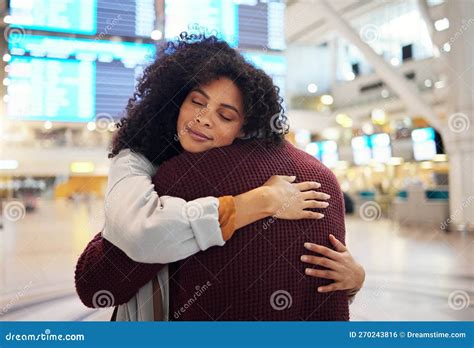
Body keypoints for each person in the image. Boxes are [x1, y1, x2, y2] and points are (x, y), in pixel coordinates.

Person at [75, 35, 365, 320]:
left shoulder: (189, 177)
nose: (203, 119)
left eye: (225, 116)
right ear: (176, 100)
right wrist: (255, 202)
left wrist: (355, 279)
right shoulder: (135, 161)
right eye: (196, 102)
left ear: (243, 128)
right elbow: (140, 233)